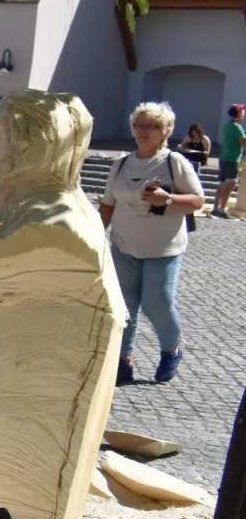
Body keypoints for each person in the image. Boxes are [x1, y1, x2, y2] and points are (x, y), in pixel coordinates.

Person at [99, 101, 205, 385]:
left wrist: (167, 199)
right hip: (123, 244)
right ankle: (124, 360)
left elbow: (197, 201)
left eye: (151, 126)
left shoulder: (175, 162)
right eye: (139, 125)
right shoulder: (121, 164)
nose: (143, 131)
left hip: (163, 247)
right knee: (124, 305)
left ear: (165, 131)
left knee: (157, 303)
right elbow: (108, 204)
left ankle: (172, 349)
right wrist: (97, 234)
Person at [214, 104, 243, 217]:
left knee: (221, 184)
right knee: (230, 184)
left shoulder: (226, 125)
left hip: (223, 157)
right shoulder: (237, 127)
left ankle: (216, 207)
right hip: (232, 159)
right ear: (239, 113)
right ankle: (222, 209)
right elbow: (243, 142)